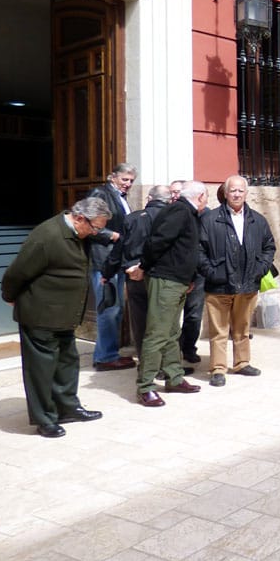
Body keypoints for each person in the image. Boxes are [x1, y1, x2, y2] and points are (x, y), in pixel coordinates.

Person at [1, 197, 110, 438]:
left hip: (64, 314)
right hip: (41, 313)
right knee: (41, 368)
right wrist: (9, 296)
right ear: (80, 218)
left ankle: (68, 407)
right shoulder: (47, 236)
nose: (96, 233)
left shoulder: (79, 233)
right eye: (95, 228)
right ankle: (45, 419)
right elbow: (16, 272)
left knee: (67, 363)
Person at [134, 181, 209, 407]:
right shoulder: (179, 210)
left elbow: (185, 249)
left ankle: (174, 378)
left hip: (178, 281)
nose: (207, 200)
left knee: (172, 332)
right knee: (157, 333)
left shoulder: (187, 212)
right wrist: (144, 265)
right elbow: (157, 242)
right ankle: (145, 386)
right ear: (201, 196)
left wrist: (189, 279)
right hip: (165, 280)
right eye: (207, 196)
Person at [199, 175, 276, 387]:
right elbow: (198, 250)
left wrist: (260, 270)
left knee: (242, 328)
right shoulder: (210, 219)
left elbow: (269, 247)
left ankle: (242, 363)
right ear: (225, 193)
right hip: (219, 285)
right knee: (219, 330)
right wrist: (212, 272)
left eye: (240, 190)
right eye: (232, 190)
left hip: (248, 284)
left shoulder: (257, 220)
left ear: (246, 193)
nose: (236, 194)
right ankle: (218, 368)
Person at [103, 185, 171, 354]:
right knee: (164, 321)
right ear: (169, 200)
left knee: (140, 319)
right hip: (163, 276)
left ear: (149, 198)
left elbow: (119, 249)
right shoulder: (172, 218)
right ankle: (163, 364)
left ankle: (144, 360)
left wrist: (107, 273)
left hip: (134, 275)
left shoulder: (132, 218)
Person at [87, 163, 137, 371]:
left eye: (131, 181)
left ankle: (109, 353)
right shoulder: (100, 193)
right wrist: (113, 235)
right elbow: (87, 222)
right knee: (108, 308)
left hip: (117, 260)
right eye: (125, 179)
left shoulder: (121, 197)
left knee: (115, 309)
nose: (128, 184)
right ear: (112, 177)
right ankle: (105, 357)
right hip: (104, 261)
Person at [170, 180, 206, 362]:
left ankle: (188, 347)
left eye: (179, 192)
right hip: (175, 274)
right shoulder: (170, 213)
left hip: (197, 273)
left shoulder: (204, 214)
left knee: (193, 314)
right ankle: (171, 354)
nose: (176, 196)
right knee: (170, 319)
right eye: (173, 192)